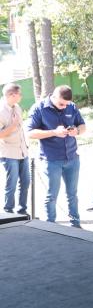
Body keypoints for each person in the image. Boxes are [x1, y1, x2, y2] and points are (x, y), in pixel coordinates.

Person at [26, 85, 86, 227]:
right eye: (61, 104)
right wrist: (54, 132)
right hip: (51, 160)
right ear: (53, 96)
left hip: (72, 158)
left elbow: (83, 126)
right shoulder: (39, 108)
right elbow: (30, 133)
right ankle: (51, 226)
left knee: (72, 194)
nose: (64, 107)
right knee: (51, 195)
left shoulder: (71, 106)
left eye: (66, 104)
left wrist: (77, 131)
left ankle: (76, 225)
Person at [0, 83, 29, 215]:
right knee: (11, 183)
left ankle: (22, 210)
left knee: (26, 182)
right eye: (19, 94)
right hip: (9, 153)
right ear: (12, 95)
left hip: (22, 151)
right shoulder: (1, 111)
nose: (21, 96)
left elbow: (20, 130)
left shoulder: (17, 107)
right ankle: (8, 211)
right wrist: (13, 125)